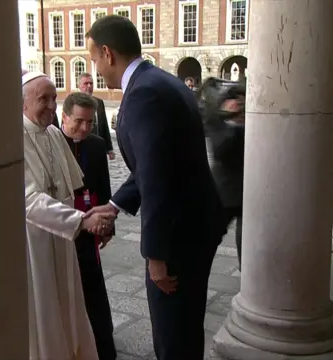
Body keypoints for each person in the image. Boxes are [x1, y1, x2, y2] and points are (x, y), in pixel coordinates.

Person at [84, 15, 225, 360]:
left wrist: (156, 255)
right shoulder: (160, 81)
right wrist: (115, 205)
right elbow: (155, 165)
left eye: (94, 58)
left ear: (108, 53)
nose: (96, 67)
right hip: (196, 225)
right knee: (186, 327)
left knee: (173, 335)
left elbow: (159, 181)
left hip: (179, 238)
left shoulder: (144, 95)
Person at [21, 72, 115, 360]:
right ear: (22, 103)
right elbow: (28, 199)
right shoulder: (13, 138)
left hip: (64, 239)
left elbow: (75, 186)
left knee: (71, 301)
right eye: (43, 99)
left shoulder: (52, 134)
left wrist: (96, 215)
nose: (52, 106)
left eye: (54, 98)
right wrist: (80, 221)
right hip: (36, 240)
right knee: (45, 306)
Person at [60, 92, 117, 360]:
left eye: (90, 123)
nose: (84, 128)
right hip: (64, 227)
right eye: (79, 121)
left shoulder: (95, 145)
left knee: (93, 287)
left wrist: (108, 226)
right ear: (65, 117)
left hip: (92, 224)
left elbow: (103, 188)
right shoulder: (54, 142)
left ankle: (103, 347)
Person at [199, 78, 246, 267]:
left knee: (248, 248)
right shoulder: (219, 123)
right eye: (238, 102)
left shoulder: (257, 124)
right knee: (206, 242)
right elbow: (221, 149)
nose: (241, 107)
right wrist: (228, 118)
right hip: (223, 194)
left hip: (252, 196)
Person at [78, 73, 116, 160]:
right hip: (81, 149)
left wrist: (109, 148)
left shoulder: (99, 102)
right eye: (85, 83)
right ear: (79, 86)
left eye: (91, 83)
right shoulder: (73, 103)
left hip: (98, 148)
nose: (89, 86)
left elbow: (104, 125)